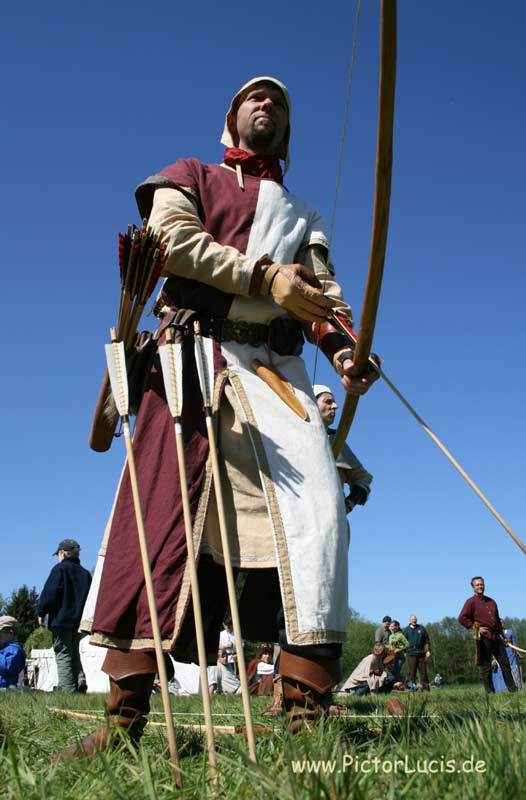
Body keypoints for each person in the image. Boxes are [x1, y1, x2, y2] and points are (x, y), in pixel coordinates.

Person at [66, 75, 378, 759]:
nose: (267, 103)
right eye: (253, 97)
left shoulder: (304, 215)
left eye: (281, 102)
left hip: (279, 376)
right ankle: (125, 718)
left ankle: (303, 709)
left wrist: (347, 350)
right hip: (192, 361)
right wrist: (268, 280)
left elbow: (324, 299)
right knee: (161, 522)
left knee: (319, 518)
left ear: (287, 129)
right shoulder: (190, 175)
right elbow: (169, 244)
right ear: (230, 118)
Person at [37, 539, 92, 693]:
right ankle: (80, 681)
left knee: (63, 653)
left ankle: (68, 689)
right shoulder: (85, 574)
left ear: (62, 553)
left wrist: (41, 612)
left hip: (62, 620)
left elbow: (50, 594)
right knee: (74, 652)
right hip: (79, 621)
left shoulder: (60, 569)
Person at [313, 385, 373, 513]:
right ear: (311, 403)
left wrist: (349, 503)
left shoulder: (334, 439)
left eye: (333, 401)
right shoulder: (292, 435)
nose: (335, 406)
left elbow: (362, 478)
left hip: (330, 518)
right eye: (328, 401)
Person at [458, 577, 517, 693]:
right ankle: (490, 693)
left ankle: (513, 690)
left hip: (496, 636)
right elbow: (462, 618)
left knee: (505, 664)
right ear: (473, 587)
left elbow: (496, 619)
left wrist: (502, 632)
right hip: (484, 638)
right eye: (477, 585)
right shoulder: (470, 602)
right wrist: (476, 628)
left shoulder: (491, 601)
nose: (480, 587)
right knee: (487, 667)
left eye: (481, 584)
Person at [403, 615, 431, 691]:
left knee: (423, 671)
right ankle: (413, 688)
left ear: (416, 620)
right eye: (412, 619)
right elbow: (403, 642)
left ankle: (425, 687)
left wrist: (428, 650)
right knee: (412, 672)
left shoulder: (421, 628)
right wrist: (405, 651)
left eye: (415, 619)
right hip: (411, 653)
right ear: (410, 620)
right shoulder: (406, 630)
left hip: (421, 652)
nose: (414, 621)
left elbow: (427, 640)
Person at [0, 616, 26, 690]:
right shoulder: (4, 648)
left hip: (5, 687)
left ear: (11, 632)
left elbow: (5, 667)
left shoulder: (15, 650)